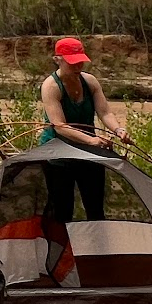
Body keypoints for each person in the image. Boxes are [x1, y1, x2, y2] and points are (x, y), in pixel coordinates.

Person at [38, 36, 125, 224]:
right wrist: (91, 140)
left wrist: (118, 130)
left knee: (95, 208)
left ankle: (97, 248)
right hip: (58, 155)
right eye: (72, 63)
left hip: (88, 153)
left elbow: (105, 112)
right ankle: (64, 251)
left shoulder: (90, 82)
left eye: (80, 62)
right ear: (57, 60)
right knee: (63, 210)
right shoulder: (51, 86)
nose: (77, 67)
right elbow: (60, 126)